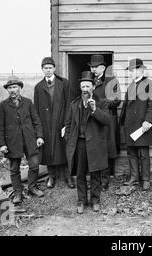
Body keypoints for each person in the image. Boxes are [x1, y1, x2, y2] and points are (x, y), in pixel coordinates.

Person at [64, 71, 110, 213]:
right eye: (83, 86)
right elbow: (69, 124)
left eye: (88, 86)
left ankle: (95, 200)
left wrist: (95, 109)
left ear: (93, 87)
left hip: (95, 144)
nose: (85, 89)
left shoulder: (101, 103)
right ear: (80, 88)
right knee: (80, 173)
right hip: (79, 144)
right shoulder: (74, 104)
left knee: (95, 174)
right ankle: (81, 200)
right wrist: (70, 140)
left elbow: (107, 121)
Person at [0, 77, 45, 204]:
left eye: (15, 87)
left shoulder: (28, 102)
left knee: (34, 165)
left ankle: (32, 187)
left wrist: (39, 136)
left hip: (30, 140)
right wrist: (1, 144)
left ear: (20, 88)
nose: (13, 90)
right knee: (14, 169)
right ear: (7, 90)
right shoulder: (3, 105)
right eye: (10, 88)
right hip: (13, 142)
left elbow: (36, 121)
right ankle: (18, 193)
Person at [119, 58, 152, 194]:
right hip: (130, 125)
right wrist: (122, 122)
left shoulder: (150, 84)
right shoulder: (131, 86)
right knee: (131, 153)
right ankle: (134, 178)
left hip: (143, 125)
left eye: (133, 70)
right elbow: (125, 106)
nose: (130, 73)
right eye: (130, 70)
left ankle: (146, 179)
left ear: (141, 70)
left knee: (143, 153)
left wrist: (148, 121)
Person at [34, 57, 74, 189]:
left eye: (50, 68)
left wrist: (66, 124)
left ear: (54, 69)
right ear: (42, 70)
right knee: (49, 150)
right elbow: (36, 110)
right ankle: (51, 176)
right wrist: (39, 130)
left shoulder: (64, 83)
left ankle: (68, 177)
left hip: (61, 122)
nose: (48, 70)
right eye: (45, 68)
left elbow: (69, 104)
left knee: (64, 149)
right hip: (46, 124)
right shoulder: (39, 87)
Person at [89, 54, 121, 191]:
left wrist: (100, 103)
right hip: (92, 120)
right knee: (94, 148)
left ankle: (105, 180)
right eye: (92, 67)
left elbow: (116, 100)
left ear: (103, 67)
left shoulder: (111, 80)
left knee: (107, 148)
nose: (93, 70)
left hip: (107, 120)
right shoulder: (88, 80)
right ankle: (95, 179)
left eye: (96, 67)